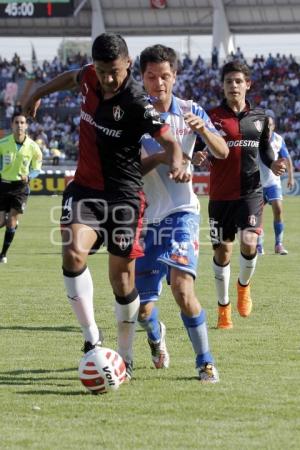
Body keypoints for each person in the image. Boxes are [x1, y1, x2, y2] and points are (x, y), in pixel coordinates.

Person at [23, 33, 188, 380]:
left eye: (113, 71)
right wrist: (38, 93)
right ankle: (92, 340)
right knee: (72, 254)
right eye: (101, 71)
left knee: (122, 281)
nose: (107, 78)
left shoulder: (137, 103)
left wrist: (175, 161)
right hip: (85, 189)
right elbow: (71, 77)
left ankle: (124, 355)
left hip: (124, 196)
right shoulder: (89, 77)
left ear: (128, 64)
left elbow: (170, 140)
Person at [135, 45, 229, 382]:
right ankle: (156, 334)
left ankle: (205, 361)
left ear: (174, 76)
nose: (158, 82)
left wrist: (203, 131)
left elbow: (222, 150)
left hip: (182, 213)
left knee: (182, 288)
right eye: (151, 76)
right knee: (143, 310)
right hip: (145, 221)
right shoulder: (134, 115)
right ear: (142, 78)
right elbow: (127, 168)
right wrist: (161, 158)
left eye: (164, 76)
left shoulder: (191, 110)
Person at [206, 61, 286, 329]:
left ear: (247, 84)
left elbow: (264, 150)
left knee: (250, 242)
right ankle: (223, 307)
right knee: (223, 253)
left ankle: (243, 287)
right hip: (219, 196)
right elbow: (199, 148)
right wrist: (198, 156)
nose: (234, 86)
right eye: (229, 81)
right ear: (223, 85)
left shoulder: (260, 118)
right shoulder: (212, 116)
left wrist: (273, 162)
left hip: (251, 192)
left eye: (238, 81)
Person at [0, 112, 42, 264]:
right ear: (12, 125)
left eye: (22, 122)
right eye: (16, 122)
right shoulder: (3, 143)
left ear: (26, 125)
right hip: (3, 185)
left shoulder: (33, 147)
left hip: (21, 188)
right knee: (1, 222)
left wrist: (29, 176)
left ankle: (3, 254)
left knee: (11, 221)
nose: (19, 125)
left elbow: (37, 168)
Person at [257, 112, 294, 255]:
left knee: (278, 210)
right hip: (258, 183)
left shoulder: (279, 139)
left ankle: (279, 244)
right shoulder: (256, 139)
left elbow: (287, 158)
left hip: (273, 182)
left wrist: (290, 177)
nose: (268, 127)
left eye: (270, 124)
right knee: (258, 214)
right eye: (266, 125)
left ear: (274, 126)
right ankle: (259, 245)